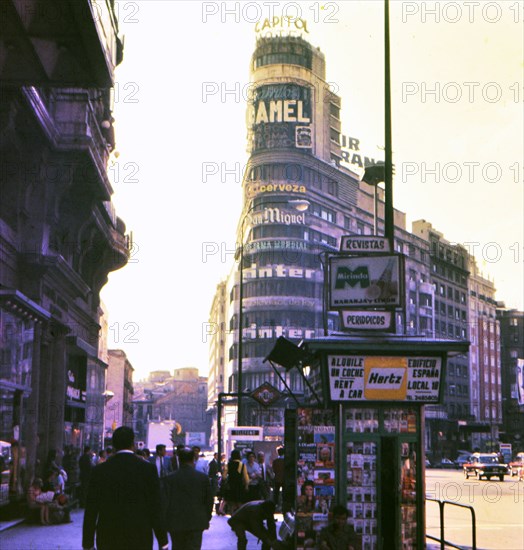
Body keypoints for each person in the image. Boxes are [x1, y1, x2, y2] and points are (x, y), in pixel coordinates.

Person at [82, 426, 168, 550]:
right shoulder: (148, 469)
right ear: (132, 444)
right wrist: (163, 540)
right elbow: (155, 507)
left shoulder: (100, 471)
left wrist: (88, 543)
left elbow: (91, 508)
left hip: (108, 536)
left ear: (114, 445)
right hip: (139, 535)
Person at [163, 446, 213, 549]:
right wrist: (206, 518)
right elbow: (209, 501)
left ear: (179, 460)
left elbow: (165, 502)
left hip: (176, 523)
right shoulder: (203, 478)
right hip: (196, 522)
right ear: (193, 459)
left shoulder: (169, 479)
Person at [224, 449, 249, 515]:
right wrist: (246, 485)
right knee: (239, 502)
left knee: (232, 502)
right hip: (239, 485)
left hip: (231, 485)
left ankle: (232, 515)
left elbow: (224, 476)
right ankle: (240, 515)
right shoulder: (242, 465)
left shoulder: (228, 464)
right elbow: (246, 477)